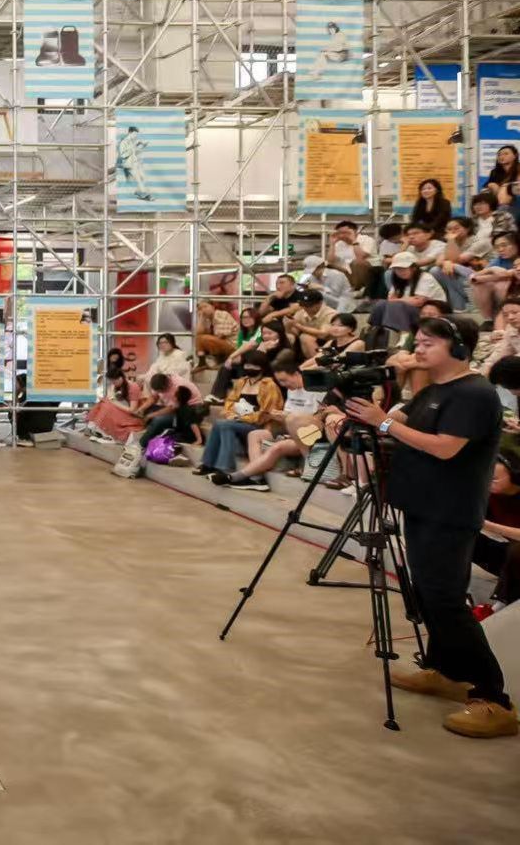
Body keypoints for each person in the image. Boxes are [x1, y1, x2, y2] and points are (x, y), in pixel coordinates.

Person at [343, 316, 517, 737]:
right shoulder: (432, 390)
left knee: (445, 599)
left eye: (428, 343)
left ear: (457, 348)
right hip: (421, 505)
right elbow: (399, 427)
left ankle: (494, 698)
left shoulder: (474, 393)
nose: (418, 349)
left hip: (449, 511)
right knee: (427, 593)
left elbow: (445, 449)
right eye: (417, 342)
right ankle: (445, 669)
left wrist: (384, 422)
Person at [209, 353, 325, 489]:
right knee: (254, 435)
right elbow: (286, 415)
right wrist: (278, 416)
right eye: (280, 382)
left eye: (285, 380)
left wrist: (288, 418)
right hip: (288, 430)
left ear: (296, 374)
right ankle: (257, 478)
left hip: (308, 435)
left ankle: (237, 476)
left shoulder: (315, 390)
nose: (283, 385)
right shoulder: (291, 390)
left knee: (278, 445)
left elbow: (317, 419)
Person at [194, 350, 282, 476]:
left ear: (262, 367)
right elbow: (230, 401)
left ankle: (224, 467)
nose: (249, 368)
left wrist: (243, 418)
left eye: (253, 365)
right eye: (247, 365)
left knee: (224, 425)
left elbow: (267, 413)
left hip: (258, 425)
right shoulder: (241, 382)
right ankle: (208, 464)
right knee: (220, 423)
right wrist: (231, 414)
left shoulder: (269, 385)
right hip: (238, 421)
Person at [207, 320, 291, 405]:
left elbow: (269, 368)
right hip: (253, 373)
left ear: (279, 334)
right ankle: (218, 396)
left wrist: (262, 352)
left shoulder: (285, 351)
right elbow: (246, 359)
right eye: (264, 333)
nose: (266, 336)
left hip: (270, 378)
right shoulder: (262, 345)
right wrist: (231, 359)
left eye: (270, 333)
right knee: (227, 366)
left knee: (250, 369)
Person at [369, 251, 447, 341]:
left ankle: (402, 337)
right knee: (381, 304)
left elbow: (418, 301)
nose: (400, 272)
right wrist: (401, 300)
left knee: (396, 305)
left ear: (414, 268)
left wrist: (397, 300)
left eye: (403, 268)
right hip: (409, 312)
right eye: (397, 269)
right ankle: (375, 333)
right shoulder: (398, 281)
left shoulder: (425, 277)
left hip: (431, 313)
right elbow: (390, 300)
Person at [476, 450, 520, 607]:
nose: (488, 482)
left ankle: (502, 603)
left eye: (494, 479)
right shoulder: (488, 494)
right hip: (509, 558)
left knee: (516, 550)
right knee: (464, 537)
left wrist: (488, 525)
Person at [433, 216, 491, 312]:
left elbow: (458, 260)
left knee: (454, 267)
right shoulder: (451, 243)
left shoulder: (480, 242)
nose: (452, 231)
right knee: (436, 271)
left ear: (467, 229)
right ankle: (458, 308)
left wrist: (451, 242)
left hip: (483, 277)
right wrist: (446, 262)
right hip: (463, 280)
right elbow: (438, 261)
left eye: (456, 228)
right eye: (449, 229)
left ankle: (462, 306)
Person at [86, 368, 146, 443]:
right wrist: (113, 400)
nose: (113, 383)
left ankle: (104, 432)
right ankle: (97, 429)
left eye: (113, 381)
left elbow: (132, 410)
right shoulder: (116, 386)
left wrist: (115, 403)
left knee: (107, 405)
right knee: (103, 402)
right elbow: (112, 398)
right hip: (123, 410)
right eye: (111, 381)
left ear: (120, 378)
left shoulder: (133, 387)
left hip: (134, 416)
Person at [472, 231, 519, 324]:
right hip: (506, 295)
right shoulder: (498, 260)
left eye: (504, 245)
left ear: (517, 244)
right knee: (480, 285)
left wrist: (503, 274)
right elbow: (474, 278)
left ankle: (507, 317)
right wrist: (491, 269)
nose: (500, 249)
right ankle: (488, 320)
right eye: (497, 247)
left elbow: (507, 274)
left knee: (502, 284)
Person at [328, 220, 378, 294]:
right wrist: (332, 244)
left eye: (345, 233)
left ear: (355, 231)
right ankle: (339, 289)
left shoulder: (367, 239)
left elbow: (360, 257)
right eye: (339, 233)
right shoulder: (339, 244)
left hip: (367, 271)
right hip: (348, 272)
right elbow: (330, 261)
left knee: (357, 262)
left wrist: (353, 240)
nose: (342, 236)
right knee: (327, 265)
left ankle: (358, 289)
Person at [287, 288, 336, 359]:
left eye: (309, 305)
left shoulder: (330, 313)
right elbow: (295, 333)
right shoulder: (301, 312)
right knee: (290, 337)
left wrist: (299, 326)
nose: (305, 308)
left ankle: (318, 362)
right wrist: (289, 325)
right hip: (308, 344)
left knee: (306, 337)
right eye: (303, 305)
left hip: (329, 346)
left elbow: (323, 334)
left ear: (320, 303)